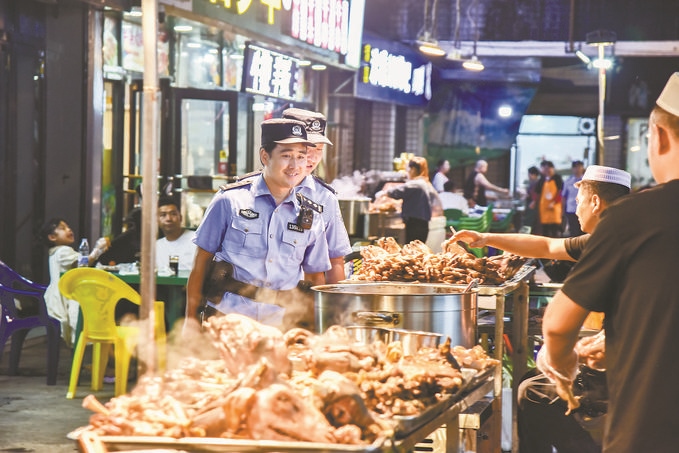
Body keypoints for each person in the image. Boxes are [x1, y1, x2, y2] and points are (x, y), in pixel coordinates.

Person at [539, 72, 679, 453]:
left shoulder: (634, 217)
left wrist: (564, 369)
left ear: (659, 136)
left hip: (650, 430)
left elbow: (557, 326)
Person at [452, 165, 631, 453]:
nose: (575, 210)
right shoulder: (612, 237)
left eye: (578, 202)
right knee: (528, 380)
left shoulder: (611, 243)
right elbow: (547, 246)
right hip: (620, 357)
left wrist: (573, 354)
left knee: (531, 393)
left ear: (595, 202)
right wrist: (486, 239)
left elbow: (559, 325)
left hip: (624, 372)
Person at [185, 118, 330, 331]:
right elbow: (200, 264)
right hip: (227, 320)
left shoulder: (311, 216)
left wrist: (316, 329)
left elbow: (316, 277)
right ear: (265, 156)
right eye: (286, 155)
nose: (295, 166)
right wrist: (190, 322)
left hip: (281, 325)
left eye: (301, 157)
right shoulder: (229, 201)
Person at [282, 108, 352, 284]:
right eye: (307, 148)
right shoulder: (242, 195)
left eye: (319, 149)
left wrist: (336, 308)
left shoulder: (325, 198)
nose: (312, 158)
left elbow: (335, 259)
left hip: (299, 303)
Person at [40, 218, 109, 346]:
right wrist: (98, 249)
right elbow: (83, 262)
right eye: (62, 228)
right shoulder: (62, 251)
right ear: (52, 237)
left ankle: (79, 354)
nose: (69, 229)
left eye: (68, 226)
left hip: (57, 296)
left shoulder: (55, 252)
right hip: (64, 297)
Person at [376, 156, 441, 243]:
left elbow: (400, 191)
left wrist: (384, 193)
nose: (408, 172)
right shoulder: (425, 183)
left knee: (412, 250)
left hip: (415, 224)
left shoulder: (417, 184)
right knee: (416, 250)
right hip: (421, 224)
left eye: (408, 169)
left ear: (413, 169)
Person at [156, 195, 197, 273]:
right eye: (163, 215)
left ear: (180, 218)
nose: (168, 219)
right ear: (157, 220)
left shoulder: (197, 241)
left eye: (173, 214)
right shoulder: (156, 247)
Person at [536, 160, 564, 237]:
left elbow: (561, 192)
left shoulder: (557, 178)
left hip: (554, 207)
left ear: (552, 168)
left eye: (549, 168)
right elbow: (537, 192)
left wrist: (554, 202)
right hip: (544, 207)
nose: (547, 170)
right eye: (545, 169)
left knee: (554, 230)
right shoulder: (542, 180)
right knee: (545, 230)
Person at [562, 160, 585, 236]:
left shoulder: (586, 181)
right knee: (573, 232)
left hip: (583, 210)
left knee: (583, 232)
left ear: (582, 168)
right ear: (572, 169)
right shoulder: (568, 181)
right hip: (571, 209)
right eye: (575, 167)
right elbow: (564, 196)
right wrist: (562, 210)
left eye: (579, 167)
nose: (577, 169)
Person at [522, 166, 541, 233]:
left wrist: (533, 201)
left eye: (529, 174)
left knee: (529, 223)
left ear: (533, 174)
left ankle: (525, 238)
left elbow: (536, 195)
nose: (528, 176)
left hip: (532, 207)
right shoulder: (532, 183)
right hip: (531, 206)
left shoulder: (536, 183)